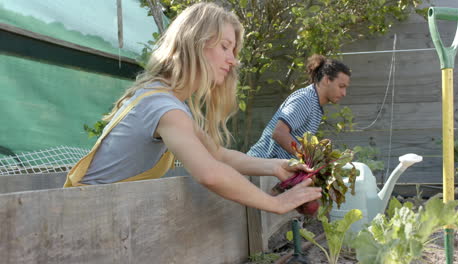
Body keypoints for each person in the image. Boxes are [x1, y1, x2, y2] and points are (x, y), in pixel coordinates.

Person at [64, 2, 321, 215]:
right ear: (195, 43)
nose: (232, 60)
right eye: (224, 47)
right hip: (82, 214)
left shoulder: (167, 100)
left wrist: (276, 166)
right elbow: (209, 173)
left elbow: (219, 155)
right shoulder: (163, 107)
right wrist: (276, 203)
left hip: (100, 211)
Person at [247, 54, 351, 159]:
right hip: (261, 167)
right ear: (326, 80)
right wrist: (310, 158)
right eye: (341, 86)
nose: (344, 93)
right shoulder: (306, 99)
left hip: (272, 169)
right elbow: (279, 133)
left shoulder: (316, 105)